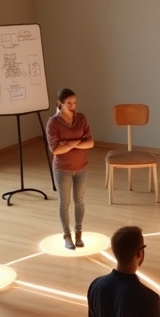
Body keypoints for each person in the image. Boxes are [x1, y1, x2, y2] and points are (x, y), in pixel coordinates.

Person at [46, 88, 95, 250]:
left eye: (74, 102)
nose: (73, 106)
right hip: (62, 169)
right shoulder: (53, 122)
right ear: (60, 104)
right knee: (64, 203)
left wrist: (67, 143)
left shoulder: (81, 118)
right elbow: (55, 150)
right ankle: (66, 235)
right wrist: (77, 141)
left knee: (79, 201)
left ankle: (78, 232)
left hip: (82, 166)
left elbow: (90, 142)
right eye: (69, 103)